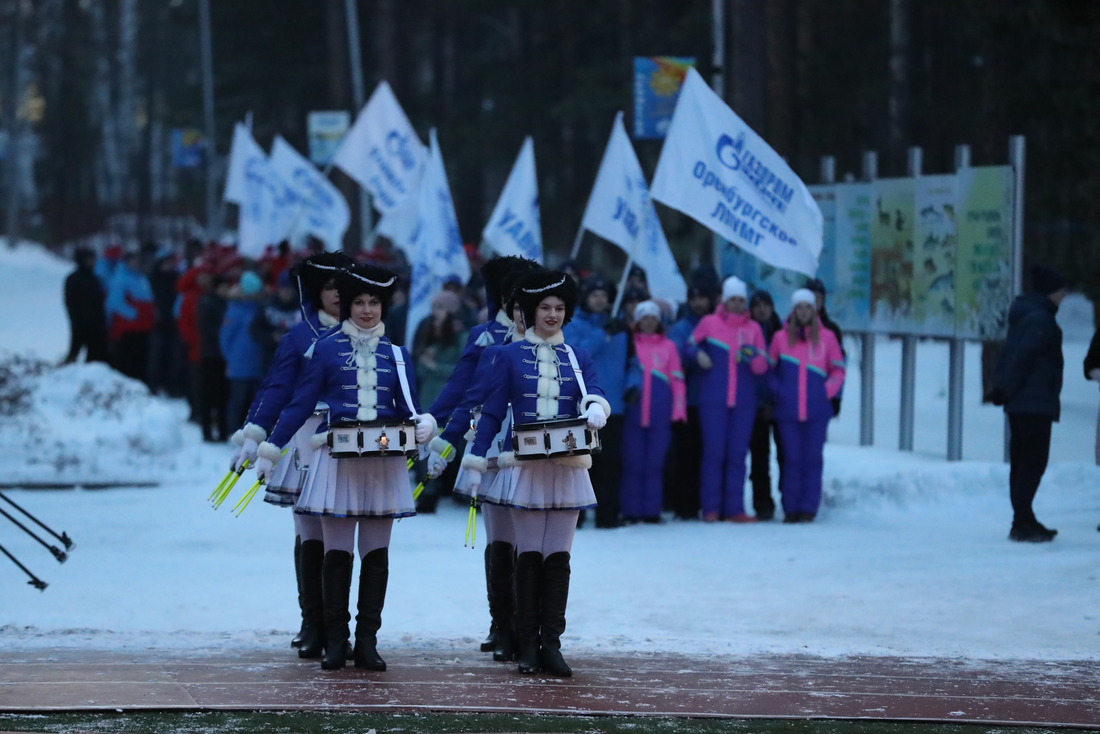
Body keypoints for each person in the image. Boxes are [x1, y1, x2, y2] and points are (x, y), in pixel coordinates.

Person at [254, 263, 435, 671]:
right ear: (347, 306)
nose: (367, 310)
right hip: (335, 463)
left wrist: (425, 425)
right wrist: (271, 447)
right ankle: (337, 640)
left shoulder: (398, 355)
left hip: (383, 464)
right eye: (358, 302)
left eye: (374, 302)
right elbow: (300, 404)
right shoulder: (325, 348)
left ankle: (368, 641)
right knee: (336, 555)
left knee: (376, 555)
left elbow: (410, 408)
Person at [460, 269, 610, 677]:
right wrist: (475, 461)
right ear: (529, 311)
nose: (553, 315)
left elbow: (593, 389)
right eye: (545, 307)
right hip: (523, 467)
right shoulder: (506, 356)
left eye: (560, 308)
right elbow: (491, 413)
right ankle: (526, 643)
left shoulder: (577, 357)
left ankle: (552, 644)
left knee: (558, 558)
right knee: (527, 556)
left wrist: (597, 407)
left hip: (567, 467)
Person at [229, 251, 351, 657]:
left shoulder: (366, 335)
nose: (338, 295)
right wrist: (256, 433)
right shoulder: (300, 336)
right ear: (317, 292)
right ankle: (312, 621)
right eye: (330, 288)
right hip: (303, 438)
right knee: (309, 530)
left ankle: (339, 629)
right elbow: (277, 388)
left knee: (341, 531)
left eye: (343, 287)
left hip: (351, 443)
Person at [425, 255, 541, 653]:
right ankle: (502, 625)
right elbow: (461, 388)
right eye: (510, 296)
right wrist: (434, 424)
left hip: (532, 443)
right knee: (499, 536)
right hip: (489, 439)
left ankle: (530, 627)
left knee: (532, 539)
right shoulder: (483, 335)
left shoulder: (547, 337)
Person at [994, 265, 1067, 543]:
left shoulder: (1026, 316)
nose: (1064, 297)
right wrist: (1007, 387)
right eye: (1062, 292)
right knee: (1032, 462)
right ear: (1051, 292)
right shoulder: (1041, 321)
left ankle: (1023, 518)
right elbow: (1022, 358)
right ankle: (1022, 520)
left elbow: (1010, 355)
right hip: (1034, 402)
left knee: (1022, 461)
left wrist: (1004, 388)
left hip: (1022, 402)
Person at [687, 276, 769, 522]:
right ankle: (711, 507)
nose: (736, 304)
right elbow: (688, 346)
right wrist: (699, 356)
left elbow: (763, 366)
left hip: (744, 402)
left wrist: (753, 357)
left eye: (740, 300)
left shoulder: (753, 328)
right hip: (713, 399)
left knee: (737, 455)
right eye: (732, 299)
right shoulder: (709, 323)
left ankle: (735, 508)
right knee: (714, 454)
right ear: (724, 299)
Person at [768, 289, 846, 523]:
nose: (803, 312)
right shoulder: (780, 338)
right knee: (791, 459)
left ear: (815, 310)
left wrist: (826, 392)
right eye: (799, 307)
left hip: (816, 410)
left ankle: (809, 507)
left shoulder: (828, 338)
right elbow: (770, 370)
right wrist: (779, 391)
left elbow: (838, 370)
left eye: (808, 307)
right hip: (788, 410)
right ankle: (790, 507)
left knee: (812, 459)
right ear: (793, 310)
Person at [564, 274, 628, 528]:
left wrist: (632, 385)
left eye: (604, 295)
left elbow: (632, 361)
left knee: (610, 463)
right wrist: (603, 334)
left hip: (614, 405)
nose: (600, 300)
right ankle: (576, 516)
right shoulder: (574, 325)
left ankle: (607, 514)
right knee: (580, 463)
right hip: (584, 405)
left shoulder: (620, 326)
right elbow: (577, 355)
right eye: (594, 295)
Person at [620, 300, 686, 523]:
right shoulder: (631, 345)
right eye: (644, 319)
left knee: (654, 463)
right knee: (633, 463)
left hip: (660, 414)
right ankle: (631, 509)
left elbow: (677, 380)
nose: (649, 323)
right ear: (637, 321)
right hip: (634, 413)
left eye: (653, 319)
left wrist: (678, 409)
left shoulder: (668, 347)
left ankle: (651, 510)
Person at [666, 282, 718, 519]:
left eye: (702, 298)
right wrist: (694, 356)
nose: (698, 303)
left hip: (714, 400)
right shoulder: (682, 327)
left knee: (710, 454)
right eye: (693, 298)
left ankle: (709, 501)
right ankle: (685, 504)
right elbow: (675, 357)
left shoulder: (719, 324)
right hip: (688, 401)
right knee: (687, 454)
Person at [748, 290, 784, 520]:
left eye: (766, 304)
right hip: (754, 404)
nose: (762, 309)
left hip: (781, 403)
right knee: (759, 457)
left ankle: (789, 499)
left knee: (785, 455)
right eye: (757, 305)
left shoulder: (782, 334)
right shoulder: (747, 332)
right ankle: (762, 502)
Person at [219, 270, 267, 430]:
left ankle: (252, 430)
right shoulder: (235, 310)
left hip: (257, 362)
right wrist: (230, 360)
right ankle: (233, 430)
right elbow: (225, 337)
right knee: (237, 400)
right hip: (239, 364)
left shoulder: (260, 308)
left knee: (254, 401)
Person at [105, 250, 156, 384]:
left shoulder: (142, 278)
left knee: (142, 359)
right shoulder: (120, 278)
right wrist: (134, 314)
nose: (136, 263)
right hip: (128, 329)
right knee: (128, 360)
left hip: (144, 327)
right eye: (133, 261)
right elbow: (115, 302)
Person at [806, 279, 846, 417]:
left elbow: (838, 367)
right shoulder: (789, 328)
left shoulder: (832, 330)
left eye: (819, 298)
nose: (815, 301)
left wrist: (835, 397)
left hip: (821, 400)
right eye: (811, 297)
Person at [62, 247, 109, 365]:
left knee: (96, 357)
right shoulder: (73, 279)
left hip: (97, 324)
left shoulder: (95, 278)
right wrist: (77, 319)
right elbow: (70, 302)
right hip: (80, 322)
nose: (93, 262)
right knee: (74, 352)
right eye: (89, 259)